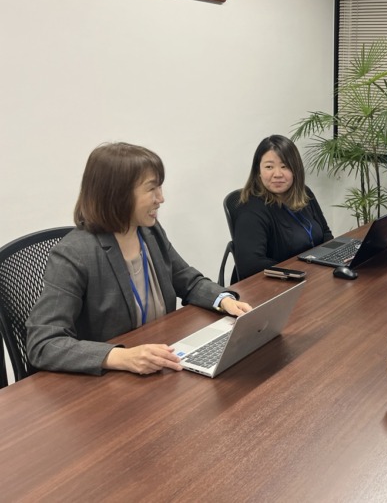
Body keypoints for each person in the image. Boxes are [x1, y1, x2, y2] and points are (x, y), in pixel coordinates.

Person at [26, 143, 251, 376]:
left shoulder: (149, 231)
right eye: (151, 189)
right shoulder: (74, 254)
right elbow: (42, 342)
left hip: (160, 363)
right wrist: (121, 356)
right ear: (117, 194)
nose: (161, 198)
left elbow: (187, 280)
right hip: (111, 385)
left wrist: (224, 300)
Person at [234, 135, 333, 279]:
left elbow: (325, 233)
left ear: (295, 170)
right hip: (275, 286)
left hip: (314, 276)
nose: (277, 174)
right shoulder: (251, 209)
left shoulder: (304, 193)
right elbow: (250, 265)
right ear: (258, 171)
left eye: (284, 166)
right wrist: (301, 272)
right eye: (269, 167)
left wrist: (333, 259)